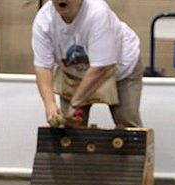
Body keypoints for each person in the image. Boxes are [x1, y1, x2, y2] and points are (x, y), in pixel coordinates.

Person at [32, 0, 143, 128]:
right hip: (73, 71)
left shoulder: (98, 12)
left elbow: (101, 67)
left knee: (125, 120)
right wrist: (49, 104)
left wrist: (75, 103)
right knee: (70, 125)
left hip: (119, 66)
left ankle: (134, 147)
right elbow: (43, 67)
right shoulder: (43, 19)